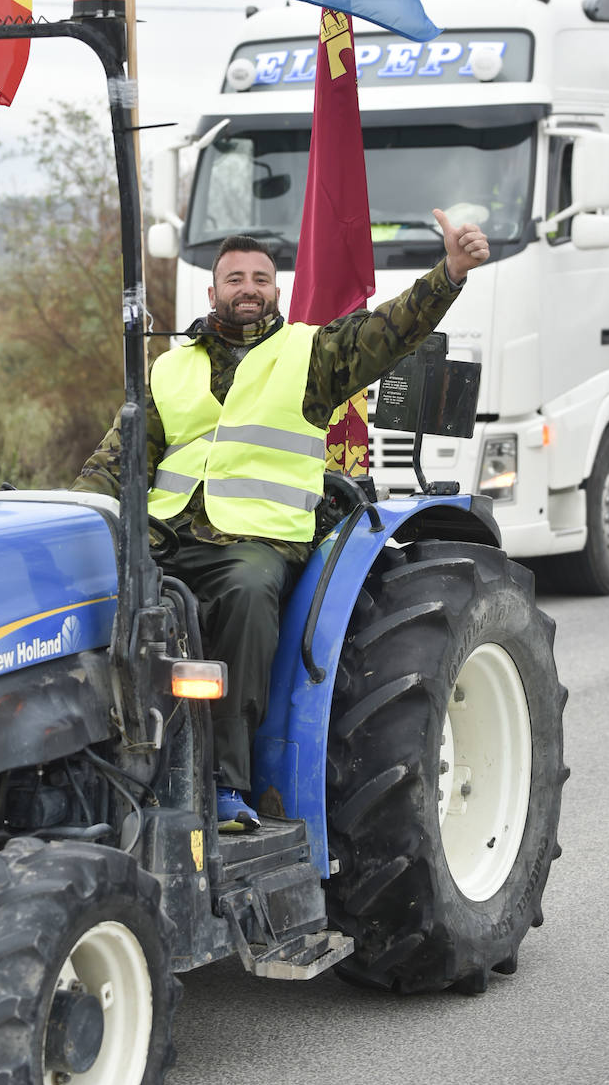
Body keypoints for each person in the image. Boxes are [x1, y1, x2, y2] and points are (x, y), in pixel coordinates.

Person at [73, 208, 489, 831]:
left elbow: (391, 329)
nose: (248, 288)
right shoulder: (168, 367)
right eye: (234, 278)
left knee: (244, 591)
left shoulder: (311, 355)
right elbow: (117, 460)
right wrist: (79, 519)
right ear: (212, 291)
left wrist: (449, 273)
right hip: (165, 536)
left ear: (277, 291)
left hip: (256, 540)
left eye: (260, 278)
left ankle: (226, 784)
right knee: (85, 590)